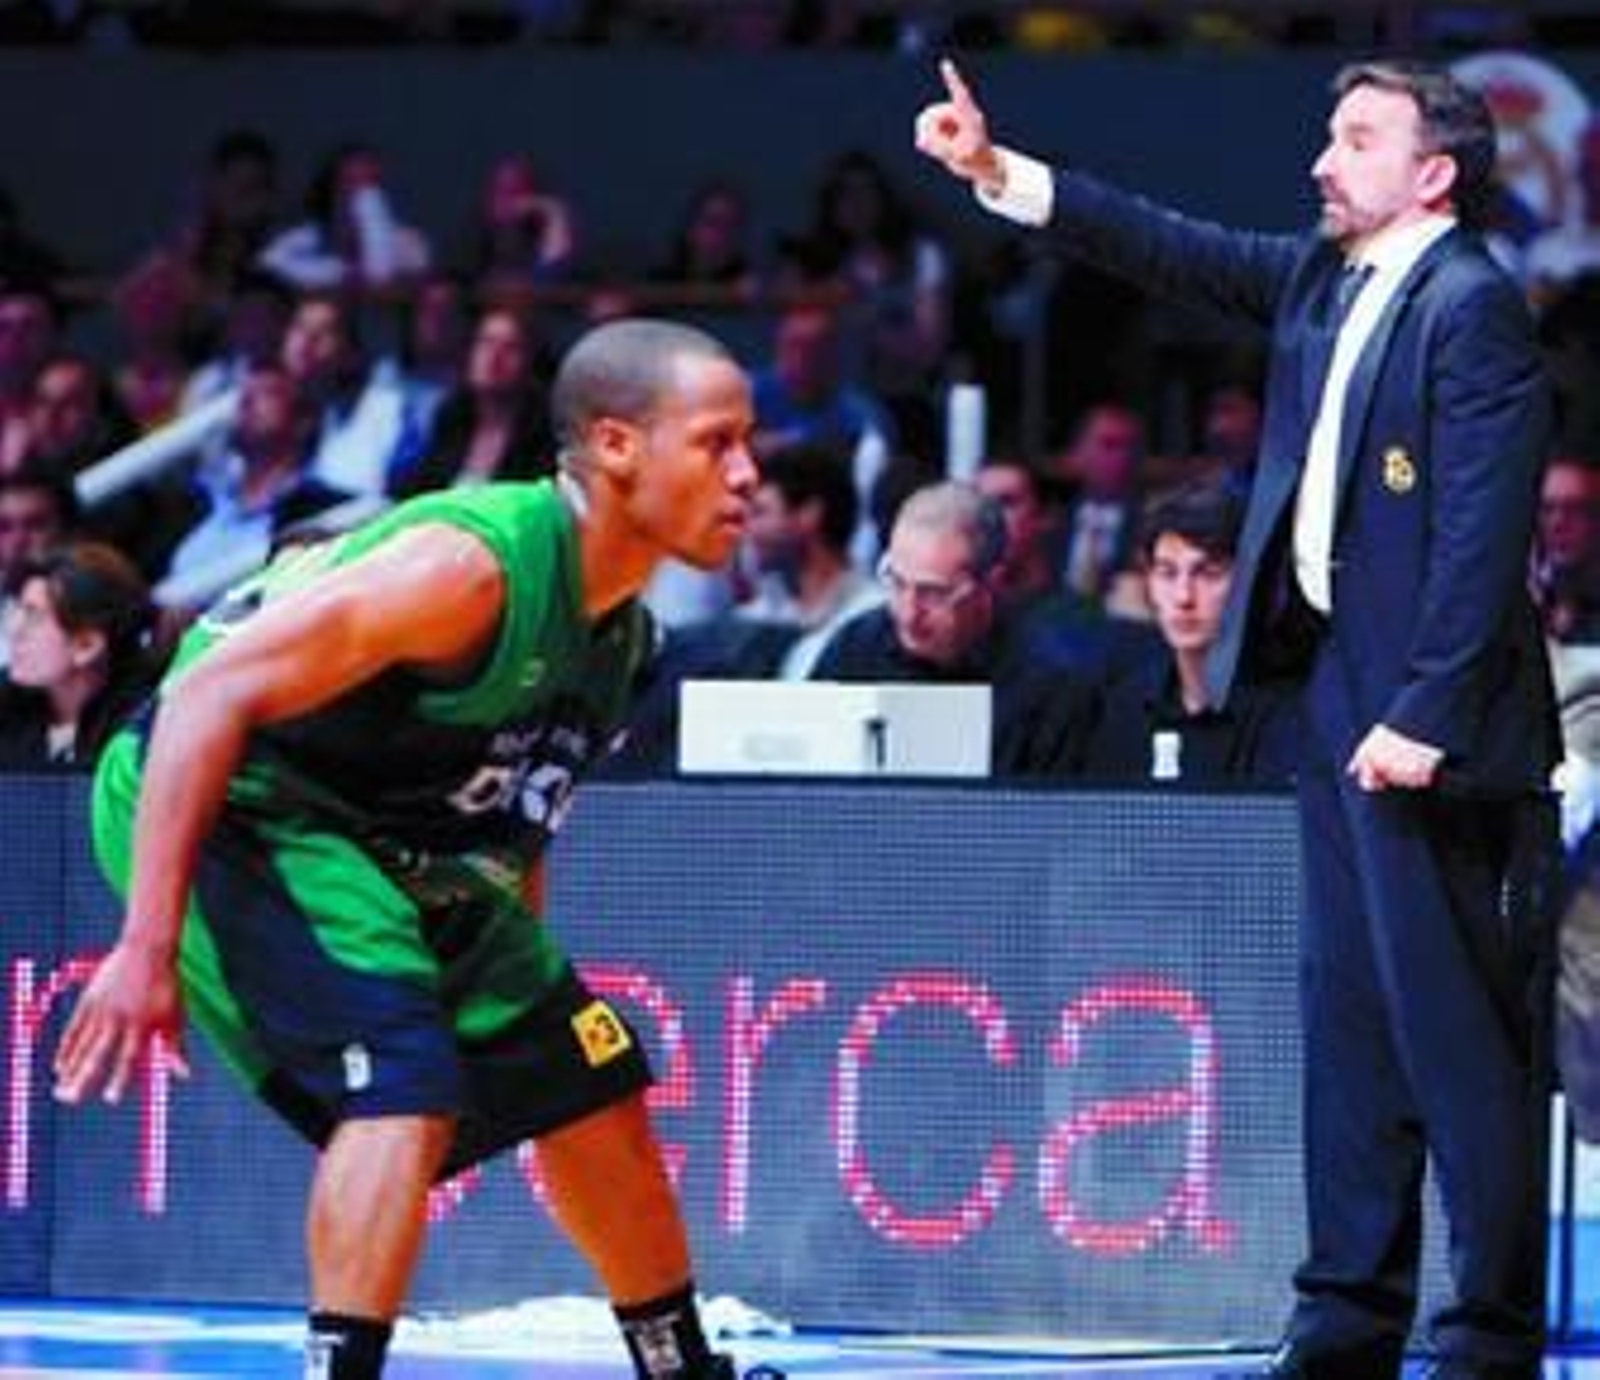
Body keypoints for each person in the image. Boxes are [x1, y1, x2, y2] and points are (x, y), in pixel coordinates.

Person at [916, 57, 1559, 1380]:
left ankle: (1487, 1335)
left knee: (1458, 1040)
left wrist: (1427, 713)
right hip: (1331, 697)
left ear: (1434, 172)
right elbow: (1174, 249)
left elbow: (1488, 536)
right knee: (1351, 1028)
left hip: (1430, 724)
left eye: (1359, 138)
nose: (1325, 160)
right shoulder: (1328, 279)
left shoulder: (1472, 307)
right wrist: (1001, 173)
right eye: (1330, 134)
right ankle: (1347, 1316)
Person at [51, 318, 772, 1380]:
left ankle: (680, 1368)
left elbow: (511, 824)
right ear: (616, 446)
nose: (750, 476)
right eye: (718, 443)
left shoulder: (621, 637)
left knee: (588, 1072)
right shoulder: (467, 568)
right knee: (406, 1082)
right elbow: (205, 691)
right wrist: (145, 945)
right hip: (239, 792)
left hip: (387, 824)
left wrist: (519, 993)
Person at [810, 479, 1096, 777]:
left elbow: (1055, 817)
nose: (909, 613)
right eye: (896, 582)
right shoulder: (856, 645)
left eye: (933, 593)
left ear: (992, 584)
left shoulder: (1053, 685)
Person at [1083, 479, 1297, 785]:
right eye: (1167, 573)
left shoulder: (1286, 714)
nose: (1184, 596)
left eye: (1208, 573)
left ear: (1248, 584)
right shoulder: (1126, 708)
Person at [0, 540, 159, 767]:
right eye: (18, 610)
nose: (13, 630)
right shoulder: (7, 704)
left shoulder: (145, 726)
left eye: (32, 616)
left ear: (87, 646)